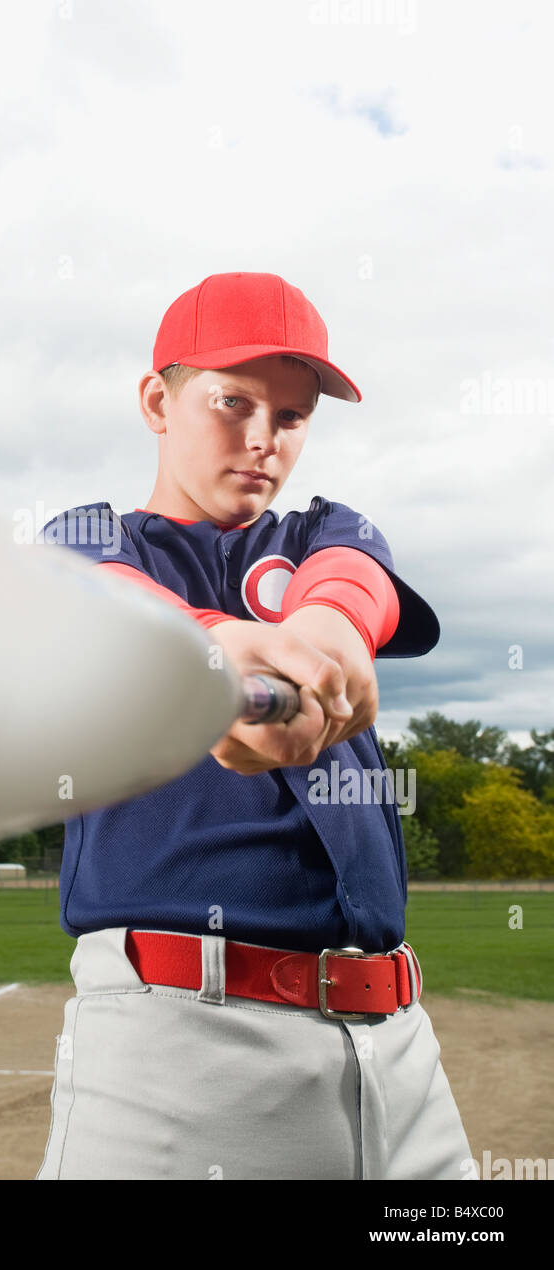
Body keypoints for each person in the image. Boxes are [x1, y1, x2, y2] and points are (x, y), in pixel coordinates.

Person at [35, 271, 473, 1181]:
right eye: (232, 402)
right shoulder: (86, 536)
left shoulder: (325, 529)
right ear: (158, 400)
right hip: (179, 1050)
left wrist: (319, 634)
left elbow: (352, 588)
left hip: (399, 1052)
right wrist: (214, 651)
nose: (263, 441)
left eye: (293, 415)